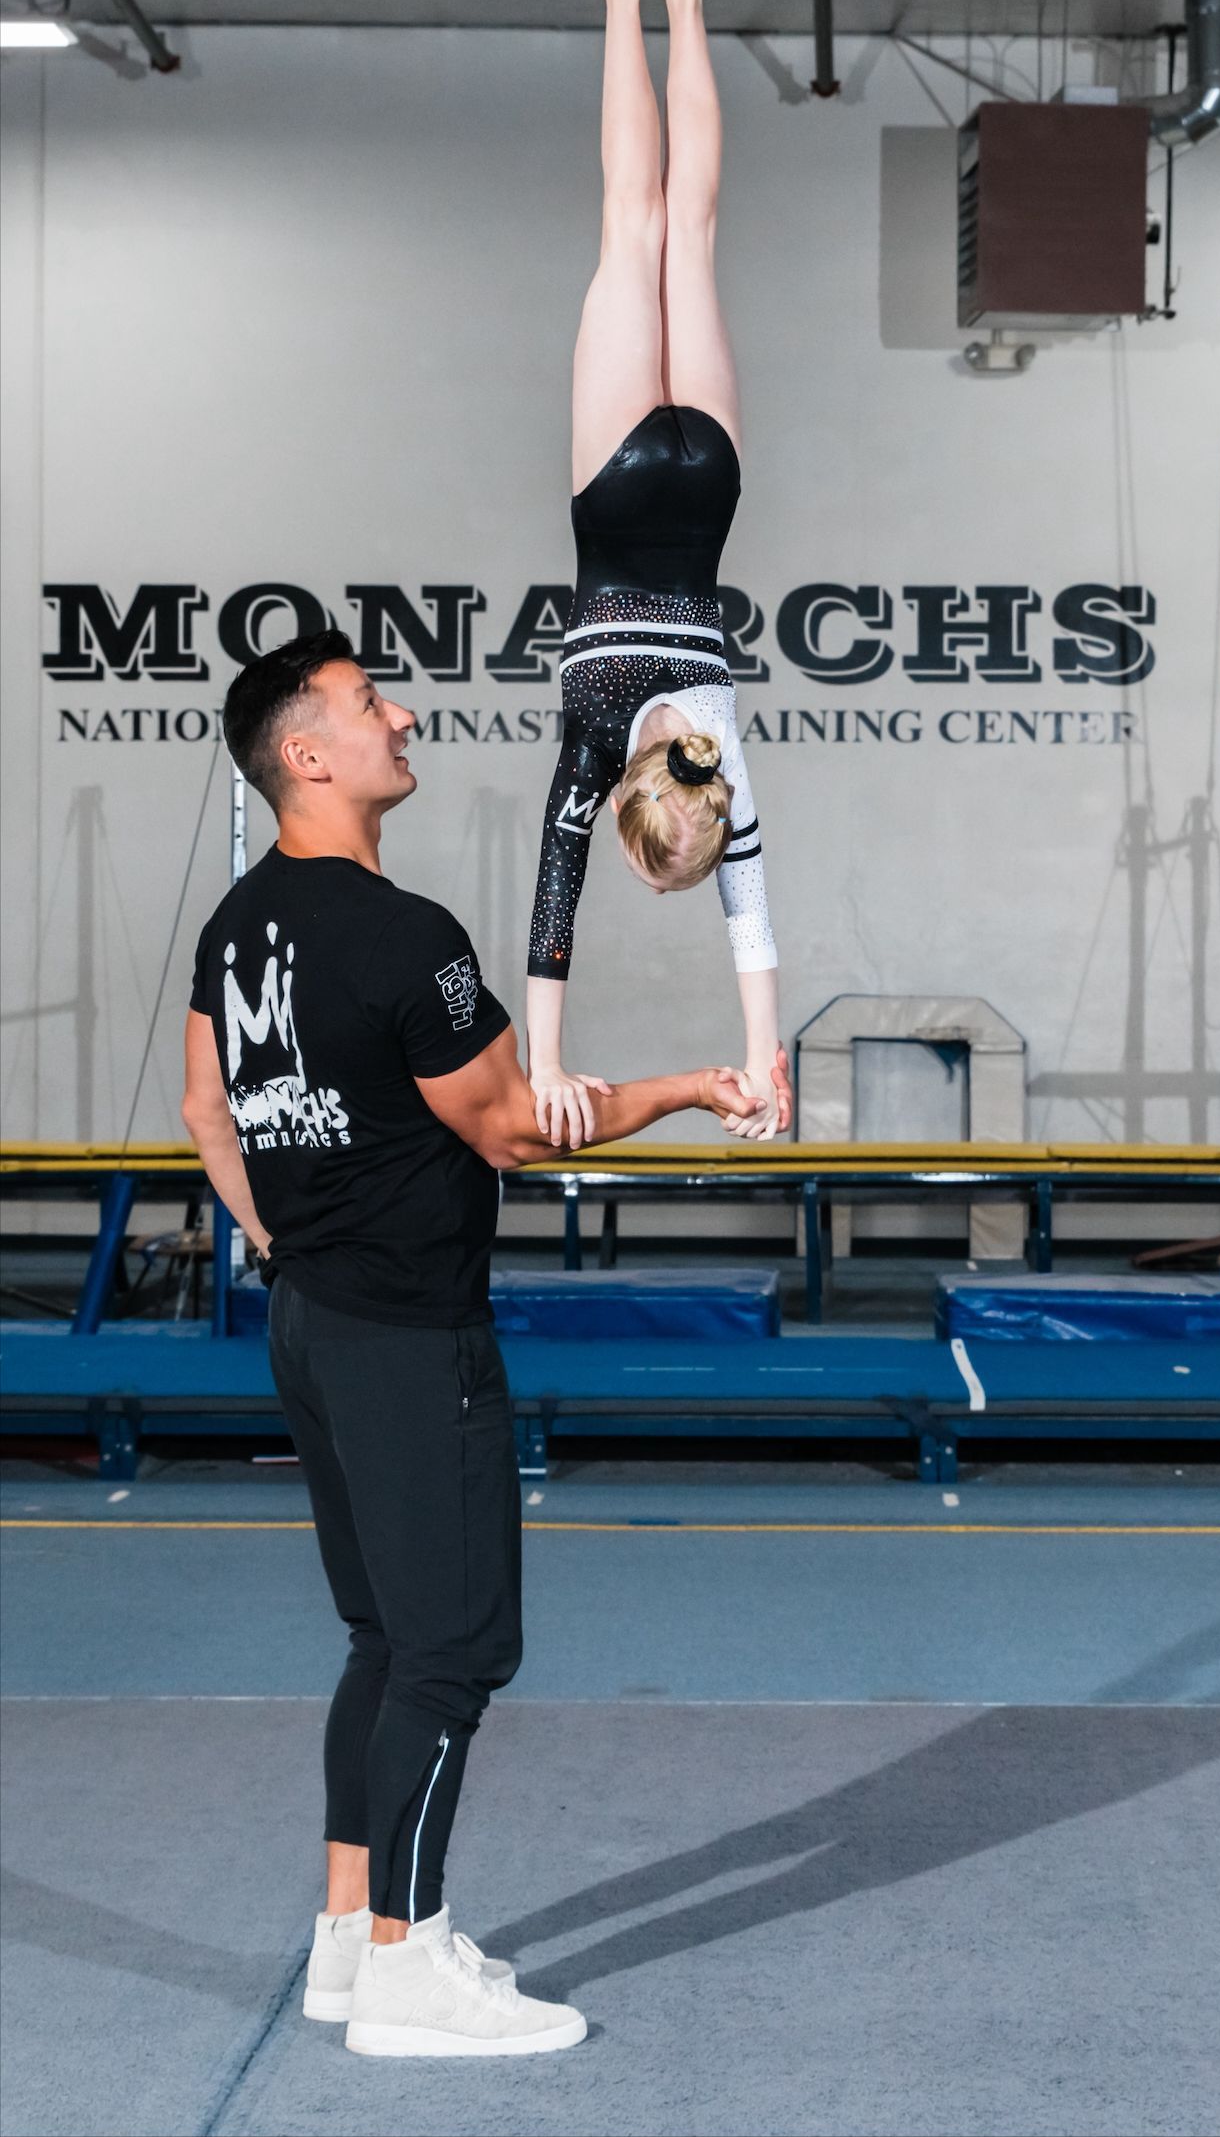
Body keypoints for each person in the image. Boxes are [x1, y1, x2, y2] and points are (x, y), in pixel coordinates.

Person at [181, 627, 784, 2060]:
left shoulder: (237, 924)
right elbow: (516, 1127)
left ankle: (348, 1933)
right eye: (367, 702)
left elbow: (208, 1112)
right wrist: (698, 1084)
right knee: (453, 1648)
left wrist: (278, 1237)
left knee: (382, 1639)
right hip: (404, 1331)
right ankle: (407, 1959)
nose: (403, 714)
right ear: (307, 754)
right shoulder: (406, 937)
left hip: (312, 1321)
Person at [527, 0, 787, 1149]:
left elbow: (755, 927)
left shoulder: (725, 765)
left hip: (708, 482)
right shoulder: (593, 735)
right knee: (635, 222)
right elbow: (552, 902)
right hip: (620, 479)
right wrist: (549, 1066)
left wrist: (764, 1065)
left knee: (690, 224)